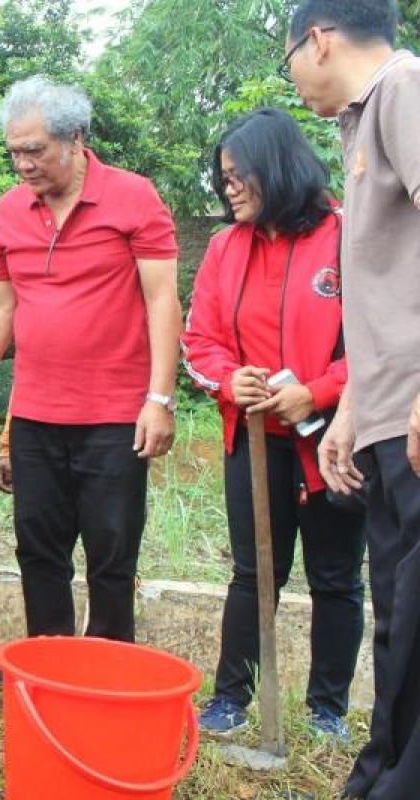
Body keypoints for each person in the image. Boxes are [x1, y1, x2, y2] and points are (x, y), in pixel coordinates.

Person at [0, 76, 181, 684]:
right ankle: (49, 667)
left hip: (113, 417)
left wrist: (161, 398)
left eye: (35, 150)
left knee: (111, 553)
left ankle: (106, 672)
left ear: (75, 139)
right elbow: (0, 306)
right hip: (35, 416)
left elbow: (162, 299)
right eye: (14, 152)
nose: (22, 164)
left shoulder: (134, 199)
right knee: (39, 550)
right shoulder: (9, 210)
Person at [181, 108, 365, 741]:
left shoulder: (347, 235)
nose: (228, 188)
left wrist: (316, 392)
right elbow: (199, 340)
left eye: (239, 176)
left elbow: (381, 343)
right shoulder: (224, 247)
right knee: (253, 570)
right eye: (223, 177)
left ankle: (327, 711)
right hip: (253, 440)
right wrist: (230, 379)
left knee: (336, 576)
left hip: (335, 439)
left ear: (277, 168)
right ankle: (231, 699)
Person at [285, 2, 420, 795]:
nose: (296, 78)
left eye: (290, 58)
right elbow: (388, 300)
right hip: (386, 417)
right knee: (397, 617)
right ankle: (382, 775)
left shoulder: (404, 92)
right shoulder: (363, 126)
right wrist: (349, 412)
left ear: (320, 40)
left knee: (413, 622)